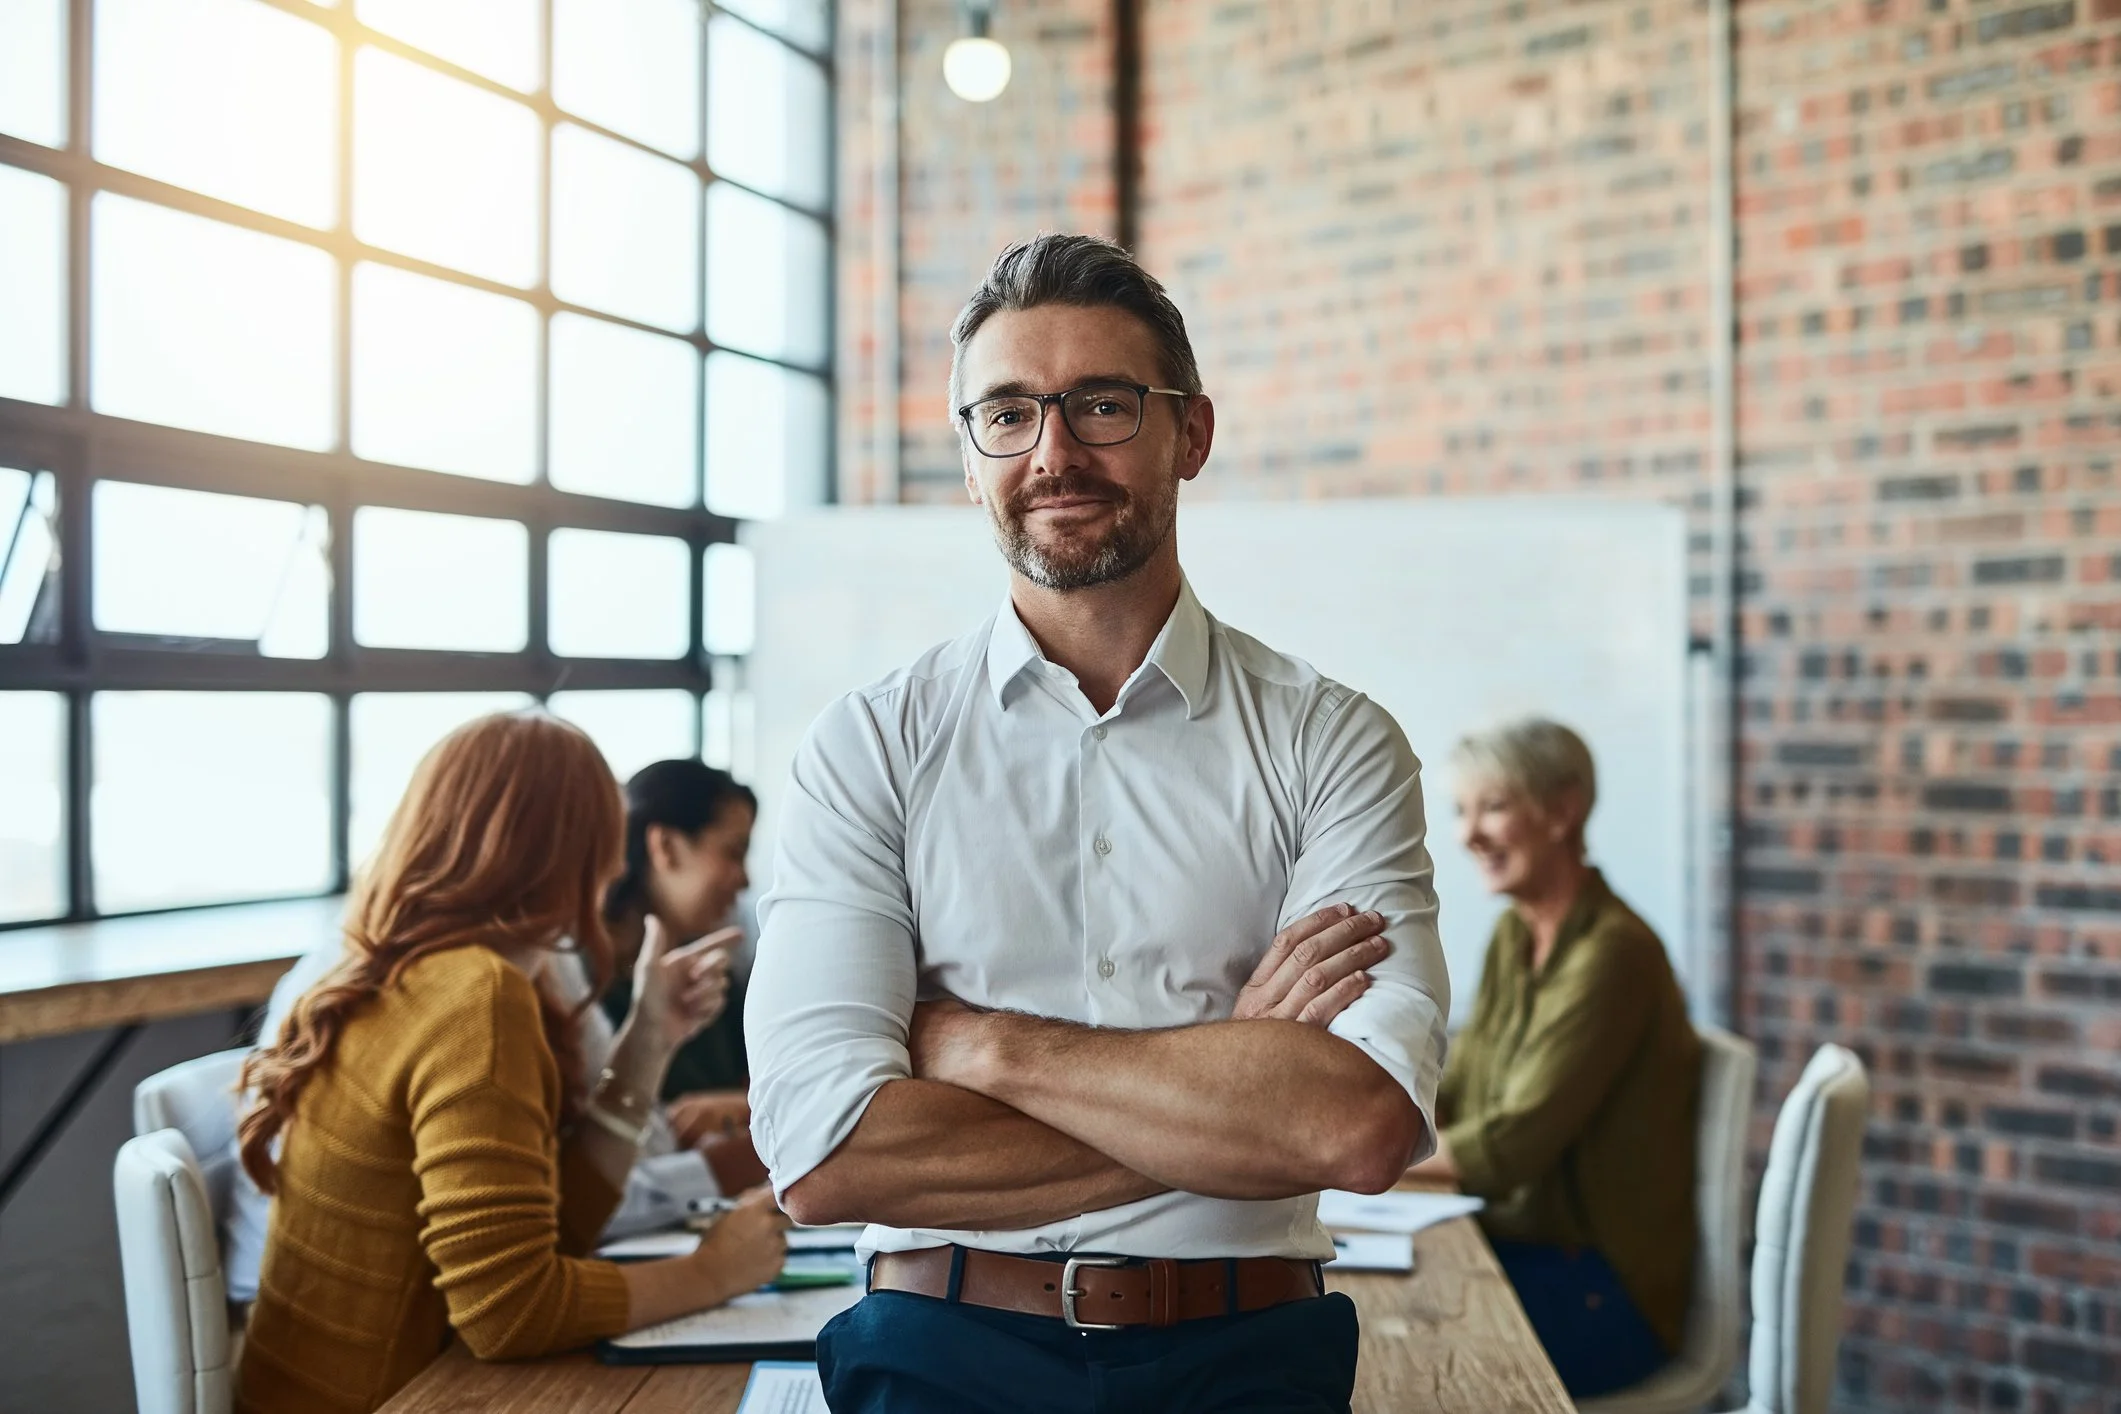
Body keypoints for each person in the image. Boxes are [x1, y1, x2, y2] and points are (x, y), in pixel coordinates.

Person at [744, 233, 1452, 1413]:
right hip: (937, 1349)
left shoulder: (1335, 740)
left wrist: (982, 1044)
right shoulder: (869, 747)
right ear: (971, 460)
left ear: (1193, 432)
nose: (1054, 452)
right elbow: (824, 1158)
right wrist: (1230, 1069)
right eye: (1009, 414)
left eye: (1104, 405)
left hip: (1249, 1357)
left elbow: (1358, 1124)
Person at [232, 713, 788, 1414]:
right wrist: (711, 1273)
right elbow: (507, 1312)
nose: (617, 860)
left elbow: (555, 1234)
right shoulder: (477, 996)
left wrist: (648, 1038)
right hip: (395, 1396)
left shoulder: (419, 967)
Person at [1416, 717, 1701, 1398]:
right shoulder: (1514, 936)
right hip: (1524, 1252)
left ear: (1562, 810)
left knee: (1381, 1344)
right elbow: (1452, 1088)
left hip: (1600, 1294)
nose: (1467, 835)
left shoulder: (1613, 953)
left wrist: (1352, 1159)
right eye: (1461, 811)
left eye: (1492, 806)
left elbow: (1511, 1146)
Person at [598, 759, 766, 1192]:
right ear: (666, 846)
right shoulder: (582, 983)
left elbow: (766, 1083)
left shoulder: (717, 975)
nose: (744, 880)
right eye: (733, 851)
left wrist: (742, 1106)